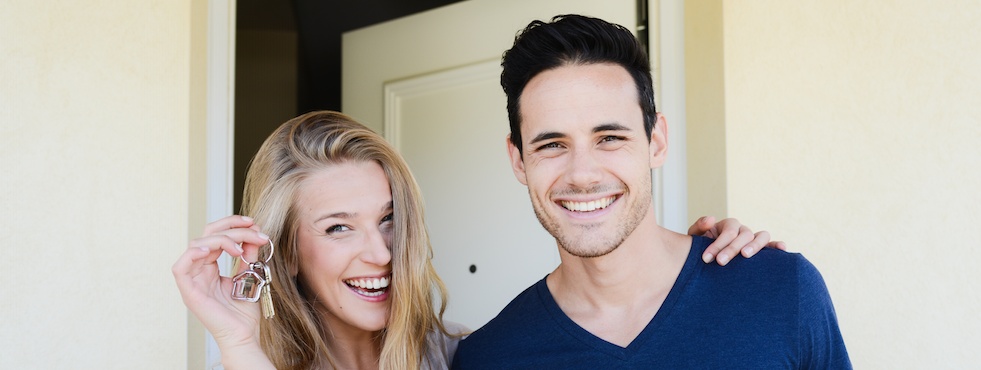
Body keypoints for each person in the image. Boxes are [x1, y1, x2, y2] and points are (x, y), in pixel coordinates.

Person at [173, 111, 778, 369]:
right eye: (338, 227)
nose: (381, 252)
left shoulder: (464, 360)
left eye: (389, 219)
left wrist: (697, 265)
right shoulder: (248, 362)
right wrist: (237, 340)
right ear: (285, 252)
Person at [451, 15, 851, 369]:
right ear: (518, 159)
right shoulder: (488, 357)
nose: (583, 175)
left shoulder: (782, 291)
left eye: (609, 137)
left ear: (656, 141)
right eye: (552, 144)